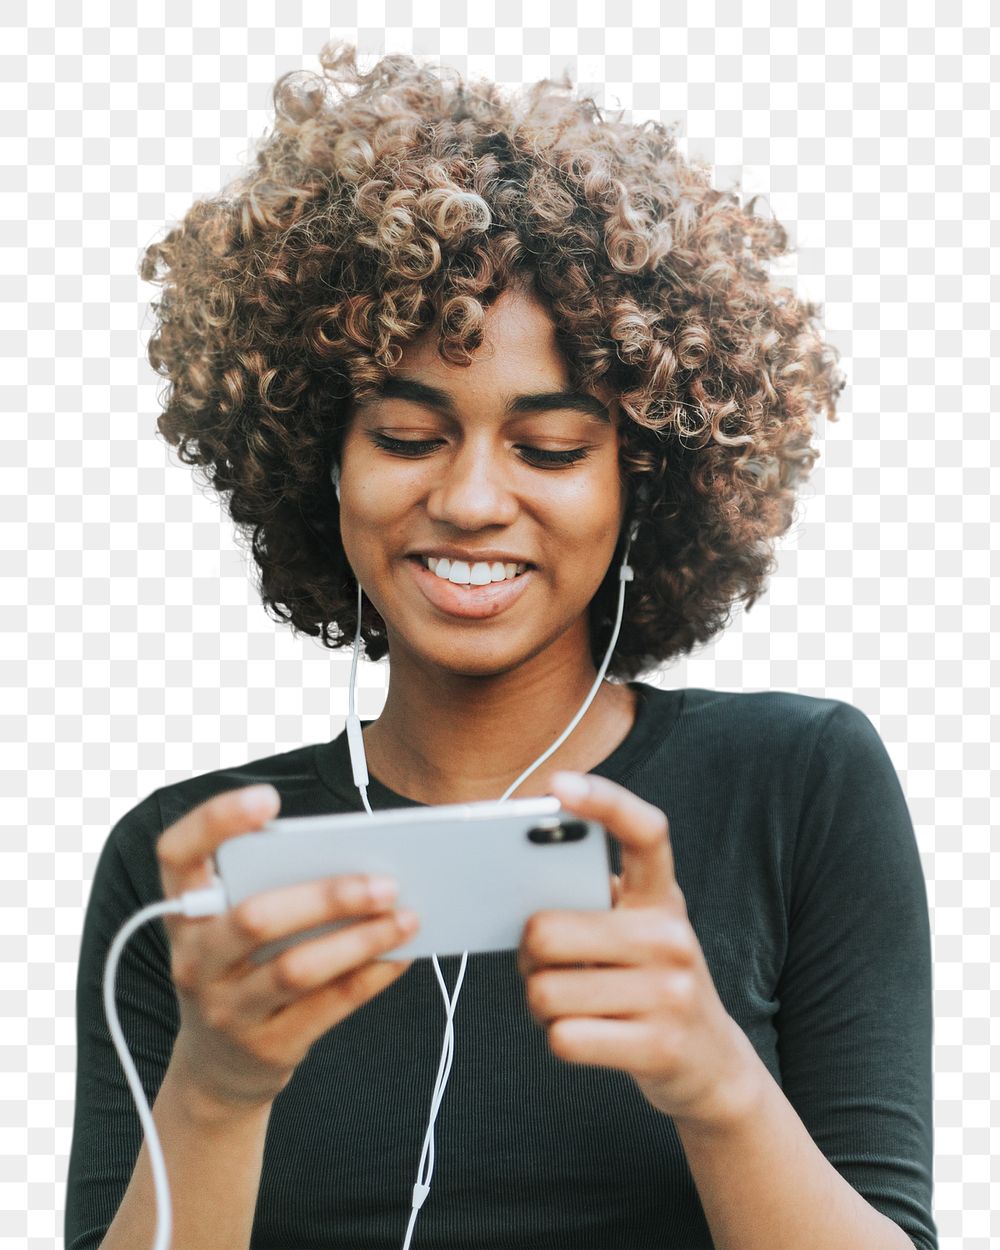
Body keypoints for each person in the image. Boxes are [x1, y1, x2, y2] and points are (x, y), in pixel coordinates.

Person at [65, 41, 937, 1250]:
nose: (473, 499)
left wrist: (714, 1078)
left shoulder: (798, 784)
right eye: (410, 434)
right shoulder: (191, 865)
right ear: (321, 464)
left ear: (644, 481)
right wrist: (215, 1089)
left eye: (551, 448)